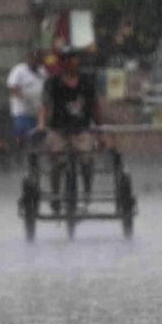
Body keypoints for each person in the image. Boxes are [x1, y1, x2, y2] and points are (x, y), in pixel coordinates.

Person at [37, 48, 102, 212]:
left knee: (87, 160)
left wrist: (101, 131)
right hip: (58, 130)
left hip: (81, 130)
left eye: (74, 59)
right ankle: (56, 196)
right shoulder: (52, 83)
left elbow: (95, 107)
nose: (73, 63)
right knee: (58, 162)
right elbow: (44, 106)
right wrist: (41, 124)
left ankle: (87, 192)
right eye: (68, 60)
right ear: (63, 63)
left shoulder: (87, 81)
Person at [6, 51, 47, 163]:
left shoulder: (42, 72)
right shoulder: (19, 70)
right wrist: (23, 96)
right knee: (21, 129)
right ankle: (19, 149)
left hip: (37, 109)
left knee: (36, 132)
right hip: (21, 109)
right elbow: (11, 86)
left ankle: (34, 154)